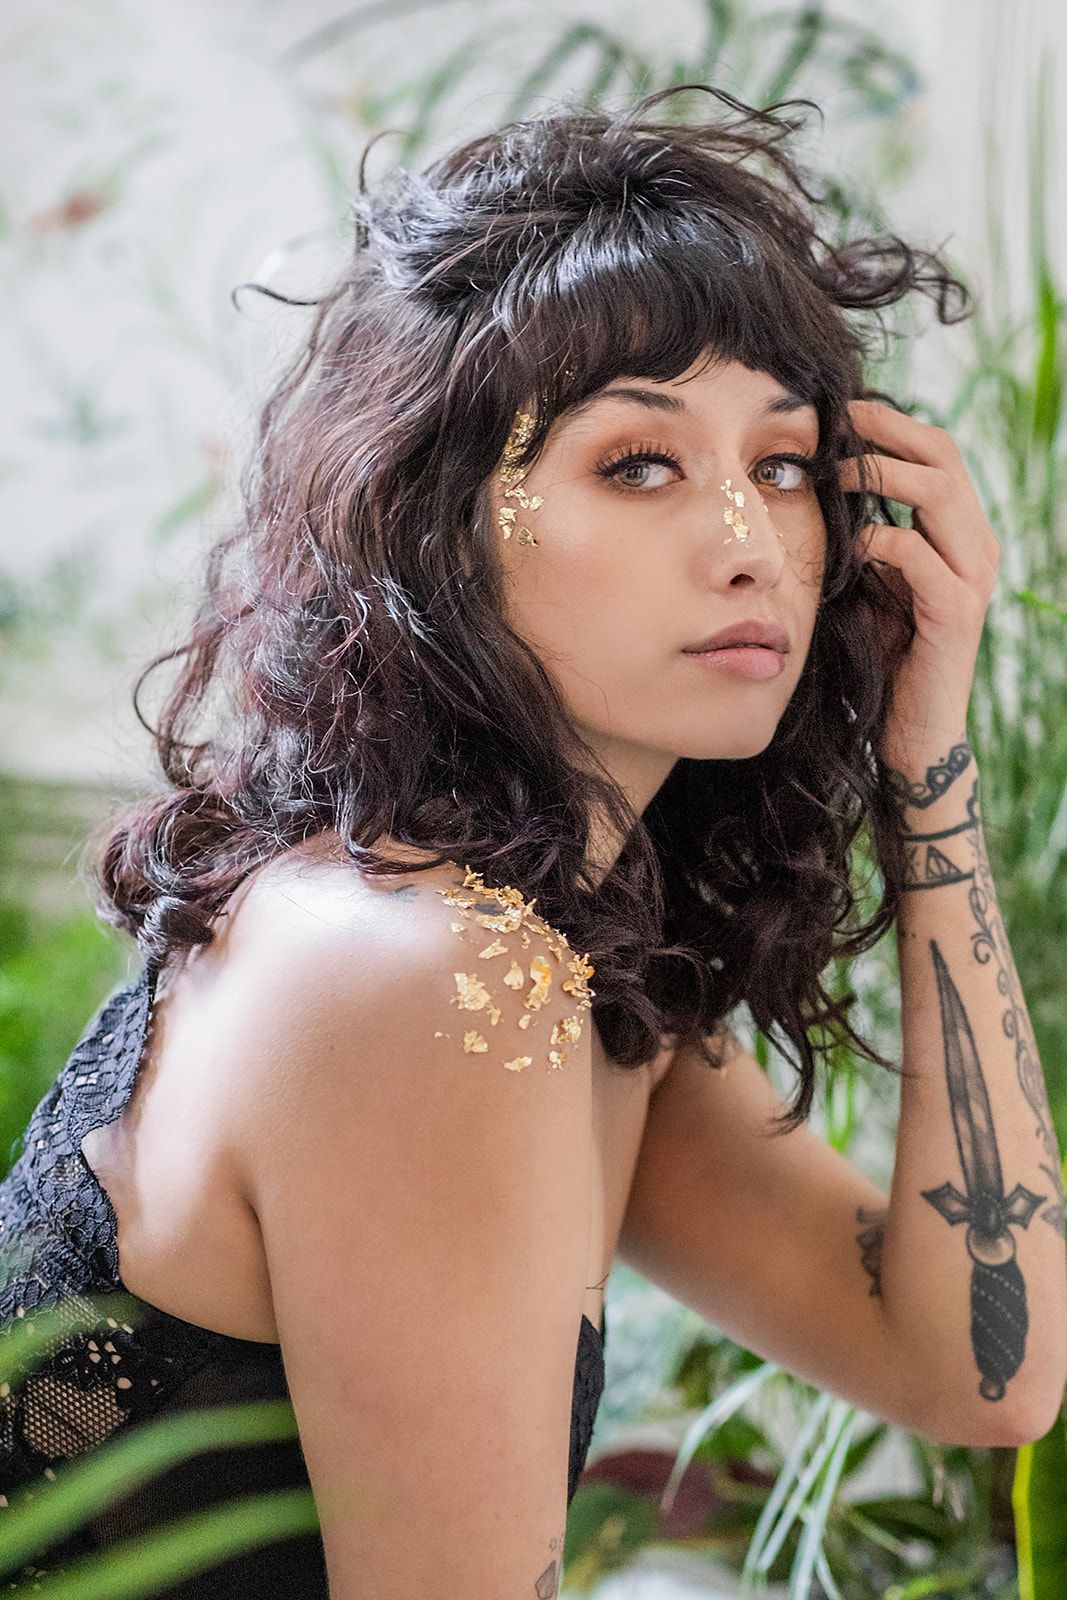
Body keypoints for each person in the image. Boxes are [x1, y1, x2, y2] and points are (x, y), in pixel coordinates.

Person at [1, 79, 1064, 1598]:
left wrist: (928, 759)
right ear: (439, 518)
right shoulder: (427, 972)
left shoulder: (563, 940)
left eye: (780, 464)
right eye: (638, 464)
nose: (749, 541)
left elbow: (980, 1368)